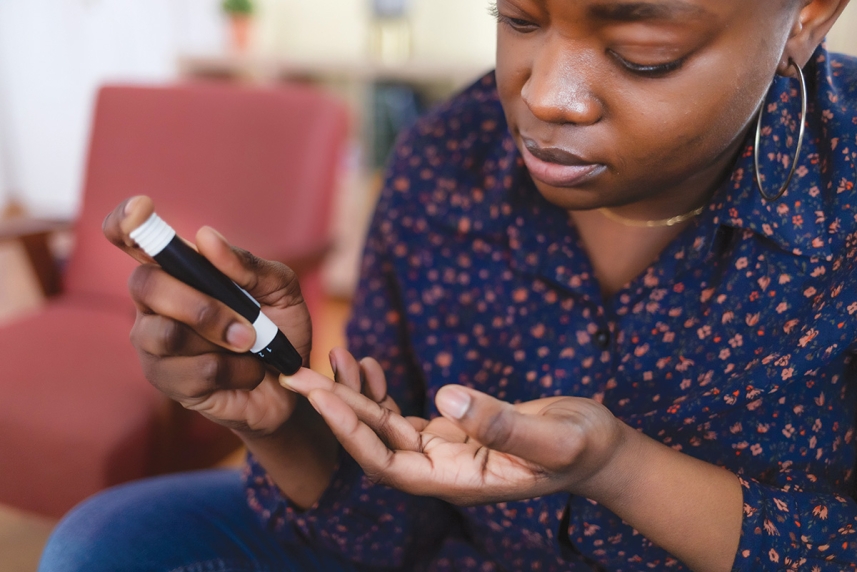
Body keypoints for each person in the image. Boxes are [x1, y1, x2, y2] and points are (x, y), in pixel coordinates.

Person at [39, 0, 857, 570]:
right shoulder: (443, 162)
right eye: (519, 20)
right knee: (112, 544)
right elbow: (391, 531)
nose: (543, 96)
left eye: (645, 52)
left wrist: (618, 468)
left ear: (808, 14)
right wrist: (285, 419)